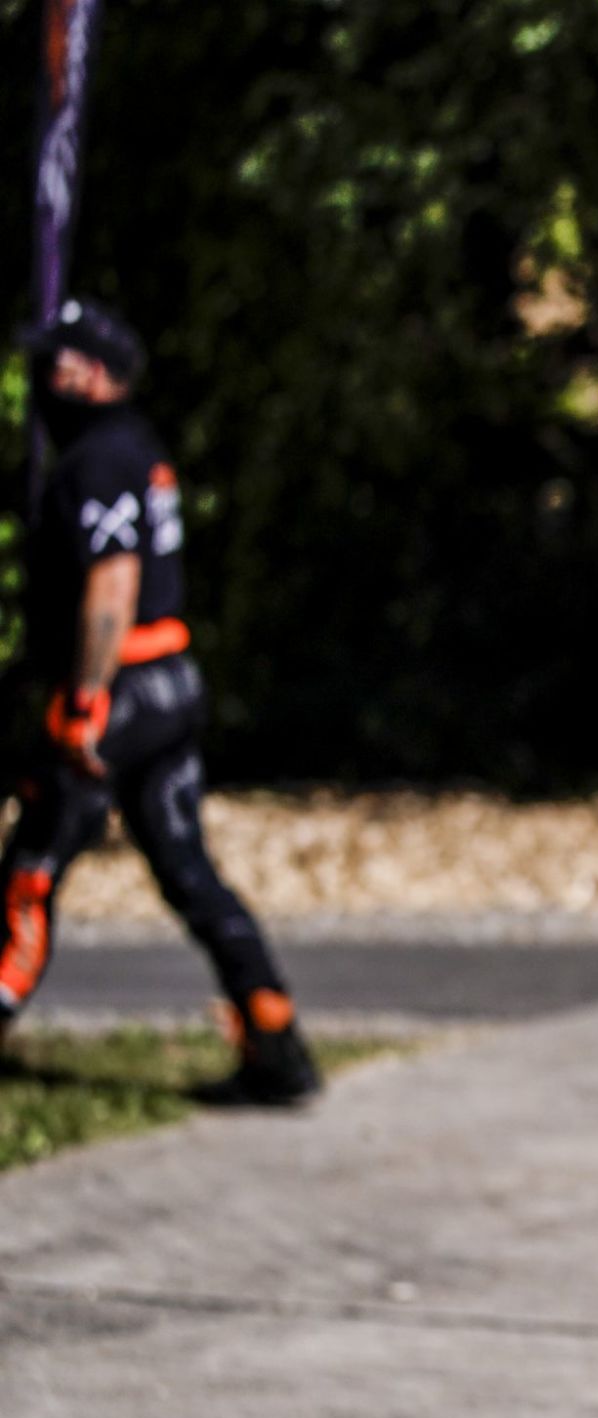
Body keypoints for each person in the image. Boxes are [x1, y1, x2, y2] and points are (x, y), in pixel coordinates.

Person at [1, 296, 318, 1105]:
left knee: (31, 869)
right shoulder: (137, 448)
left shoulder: (99, 457)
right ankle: (273, 1033)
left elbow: (112, 584)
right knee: (188, 871)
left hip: (125, 691)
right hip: (175, 683)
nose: (44, 375)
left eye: (57, 359)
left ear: (93, 374)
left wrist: (83, 701)